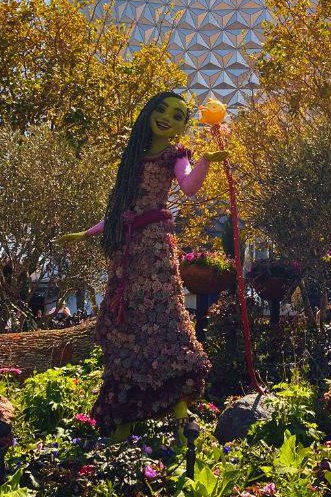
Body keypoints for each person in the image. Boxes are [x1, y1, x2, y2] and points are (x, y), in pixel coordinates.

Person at [58, 91, 226, 437]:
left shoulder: (175, 155)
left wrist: (206, 160)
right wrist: (86, 233)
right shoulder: (133, 157)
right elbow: (122, 212)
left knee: (160, 312)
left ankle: (177, 406)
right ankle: (126, 413)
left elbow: (190, 187)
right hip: (127, 250)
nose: (167, 117)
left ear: (182, 125)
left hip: (154, 247)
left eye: (178, 115)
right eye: (162, 110)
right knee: (128, 317)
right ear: (149, 112)